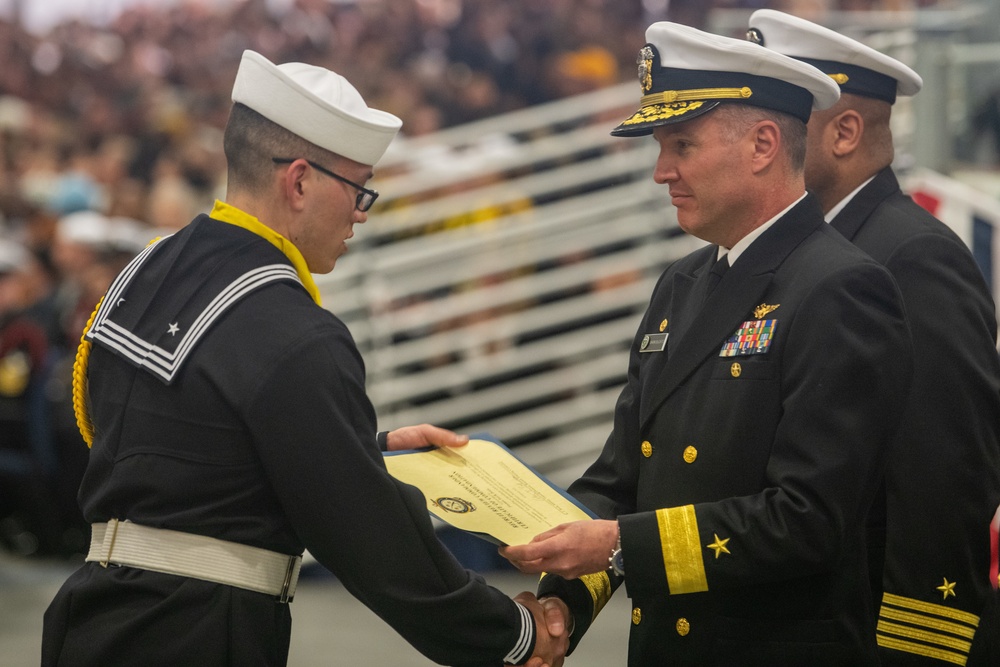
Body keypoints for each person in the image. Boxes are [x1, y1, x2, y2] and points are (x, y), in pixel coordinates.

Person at [41, 50, 566, 667]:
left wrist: (360, 448)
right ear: (299, 181)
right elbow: (373, 543)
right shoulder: (293, 329)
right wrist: (513, 636)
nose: (361, 216)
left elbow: (174, 452)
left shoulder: (146, 270)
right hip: (200, 631)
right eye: (359, 190)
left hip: (92, 619)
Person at [500, 21, 915, 666]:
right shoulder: (684, 281)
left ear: (763, 144)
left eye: (682, 145)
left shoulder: (841, 287)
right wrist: (563, 603)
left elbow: (807, 521)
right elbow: (622, 479)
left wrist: (615, 546)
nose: (662, 171)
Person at [747, 10, 1000, 666]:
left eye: (780, 122)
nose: (761, 142)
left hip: (874, 635)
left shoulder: (909, 256)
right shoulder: (813, 249)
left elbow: (945, 474)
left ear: (846, 130)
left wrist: (920, 644)